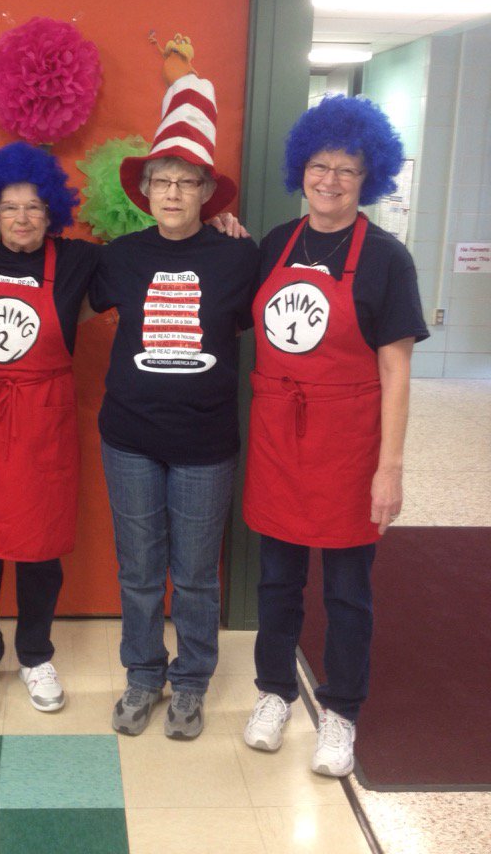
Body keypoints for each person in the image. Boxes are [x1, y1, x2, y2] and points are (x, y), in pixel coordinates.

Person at [241, 95, 428, 776]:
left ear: (368, 177)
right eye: (320, 166)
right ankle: (273, 693)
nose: (330, 180)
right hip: (278, 438)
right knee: (276, 581)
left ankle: (341, 712)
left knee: (348, 590)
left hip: (349, 445)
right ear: (302, 169)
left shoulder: (386, 258)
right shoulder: (274, 244)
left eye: (347, 170)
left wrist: (390, 467)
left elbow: (396, 370)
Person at [89, 73, 260, 740]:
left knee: (193, 575)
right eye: (162, 180)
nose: (173, 192)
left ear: (207, 192)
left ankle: (190, 683)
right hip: (129, 437)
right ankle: (142, 674)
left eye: (188, 181)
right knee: (138, 570)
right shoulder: (121, 257)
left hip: (205, 443)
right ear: (145, 189)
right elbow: (64, 291)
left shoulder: (239, 256)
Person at [0, 142, 100, 720]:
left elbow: (145, 257)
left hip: (43, 424)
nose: (22, 217)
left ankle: (35, 655)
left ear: (52, 210)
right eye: (9, 206)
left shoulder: (77, 261)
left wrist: (218, 224)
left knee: (39, 549)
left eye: (34, 206)